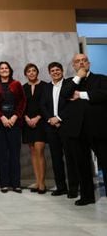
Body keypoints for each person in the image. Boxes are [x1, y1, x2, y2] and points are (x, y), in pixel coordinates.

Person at [60, 53, 107, 206]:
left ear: (89, 63)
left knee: (105, 162)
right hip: (77, 130)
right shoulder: (69, 82)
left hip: (98, 128)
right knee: (82, 164)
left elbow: (103, 94)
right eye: (77, 62)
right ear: (73, 65)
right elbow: (64, 95)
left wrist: (81, 94)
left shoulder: (101, 78)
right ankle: (87, 196)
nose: (81, 63)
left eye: (84, 61)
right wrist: (77, 78)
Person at [40, 62, 78, 198]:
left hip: (66, 126)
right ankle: (61, 187)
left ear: (62, 71)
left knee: (70, 158)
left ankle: (73, 188)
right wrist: (50, 119)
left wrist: (59, 118)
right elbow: (43, 105)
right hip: (51, 127)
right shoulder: (46, 87)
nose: (55, 72)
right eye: (52, 70)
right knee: (56, 159)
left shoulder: (69, 84)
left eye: (57, 70)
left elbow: (72, 104)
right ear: (49, 73)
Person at [0, 61, 26, 193]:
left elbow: (22, 101)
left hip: (14, 124)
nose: (4, 70)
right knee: (2, 154)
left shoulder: (17, 84)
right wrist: (2, 118)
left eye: (6, 68)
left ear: (10, 70)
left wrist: (15, 116)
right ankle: (4, 183)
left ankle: (16, 183)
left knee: (15, 154)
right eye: (1, 68)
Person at [22, 63, 47, 194]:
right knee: (32, 153)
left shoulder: (45, 86)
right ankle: (37, 181)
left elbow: (47, 104)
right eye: (29, 71)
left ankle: (42, 184)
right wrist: (26, 118)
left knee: (39, 151)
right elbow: (21, 105)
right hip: (27, 123)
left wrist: (38, 118)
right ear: (25, 74)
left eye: (33, 71)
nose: (31, 73)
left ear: (37, 72)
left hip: (40, 122)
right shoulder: (23, 88)